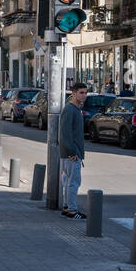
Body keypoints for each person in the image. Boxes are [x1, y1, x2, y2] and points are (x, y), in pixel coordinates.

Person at [58, 81, 88, 220]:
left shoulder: (75, 109)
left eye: (85, 92)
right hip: (71, 154)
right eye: (81, 93)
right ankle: (72, 210)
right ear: (74, 94)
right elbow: (65, 133)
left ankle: (67, 207)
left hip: (70, 153)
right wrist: (72, 152)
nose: (84, 95)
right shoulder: (70, 109)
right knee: (73, 182)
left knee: (68, 181)